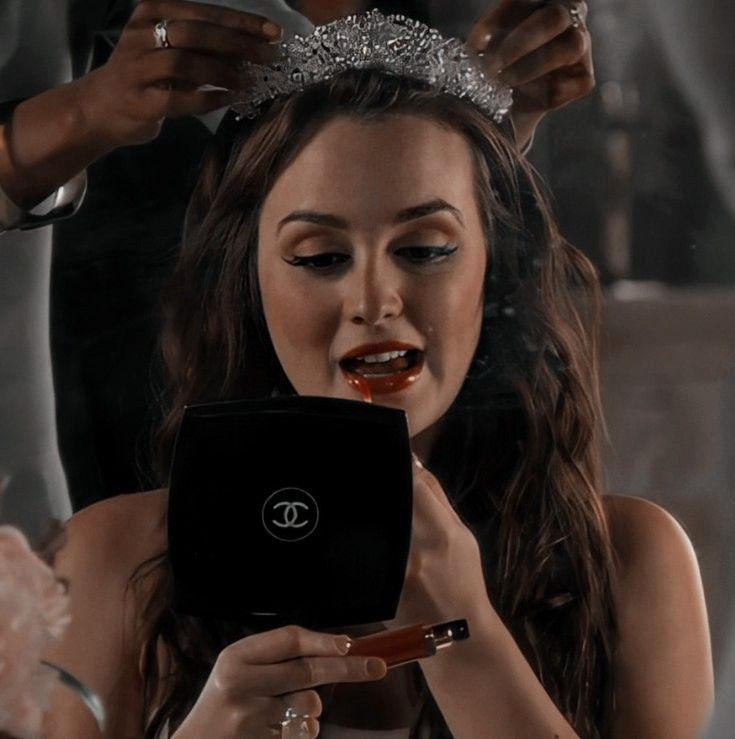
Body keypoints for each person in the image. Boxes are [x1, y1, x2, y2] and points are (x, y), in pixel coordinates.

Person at [40, 10, 713, 739]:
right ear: (247, 281)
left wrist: (466, 635)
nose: (373, 302)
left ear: (495, 269)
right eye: (320, 257)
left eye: (424, 249)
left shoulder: (630, 562)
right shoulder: (115, 562)